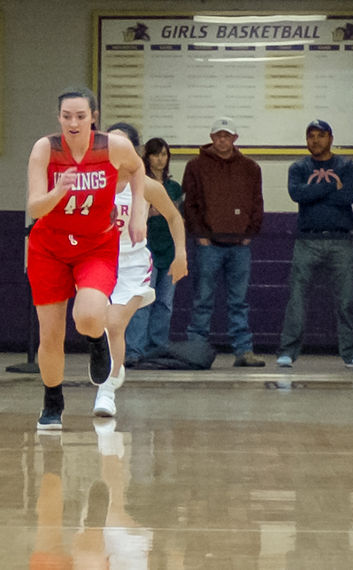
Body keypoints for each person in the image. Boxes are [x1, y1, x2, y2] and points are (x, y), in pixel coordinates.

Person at [24, 88, 146, 430]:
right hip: (49, 247)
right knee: (50, 334)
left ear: (94, 116)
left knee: (90, 316)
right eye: (66, 116)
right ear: (58, 117)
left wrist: (138, 213)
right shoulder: (45, 148)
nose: (73, 122)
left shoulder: (113, 147)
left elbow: (138, 170)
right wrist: (59, 190)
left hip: (95, 246)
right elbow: (34, 207)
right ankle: (52, 400)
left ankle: (96, 341)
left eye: (80, 116)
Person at [94, 123, 187, 418]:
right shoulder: (95, 181)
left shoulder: (146, 185)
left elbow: (174, 217)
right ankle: (115, 367)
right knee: (98, 325)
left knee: (115, 322)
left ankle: (106, 392)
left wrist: (181, 254)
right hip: (98, 262)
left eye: (120, 144)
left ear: (135, 151)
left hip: (133, 264)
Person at [278, 120, 353, 368]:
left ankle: (352, 353)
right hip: (307, 240)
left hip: (341, 240)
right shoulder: (298, 167)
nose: (315, 141)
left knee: (346, 300)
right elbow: (297, 194)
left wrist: (314, 191)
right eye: (311, 136)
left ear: (331, 138)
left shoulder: (348, 166)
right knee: (296, 298)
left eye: (320, 136)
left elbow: (348, 196)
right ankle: (287, 352)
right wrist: (329, 186)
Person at [182, 117, 265, 367]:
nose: (222, 140)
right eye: (218, 135)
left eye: (227, 136)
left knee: (239, 301)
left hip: (240, 245)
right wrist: (201, 236)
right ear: (211, 138)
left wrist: (250, 232)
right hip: (209, 245)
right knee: (203, 300)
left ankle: (244, 351)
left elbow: (257, 202)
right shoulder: (196, 166)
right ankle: (196, 350)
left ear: (235, 139)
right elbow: (190, 204)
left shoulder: (251, 168)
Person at [123, 137, 183, 366]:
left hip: (168, 249)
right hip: (146, 248)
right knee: (142, 301)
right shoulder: (139, 184)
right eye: (156, 154)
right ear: (147, 157)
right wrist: (150, 213)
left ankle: (157, 347)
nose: (160, 159)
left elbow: (177, 217)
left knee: (165, 302)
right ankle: (134, 350)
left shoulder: (173, 187)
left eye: (164, 154)